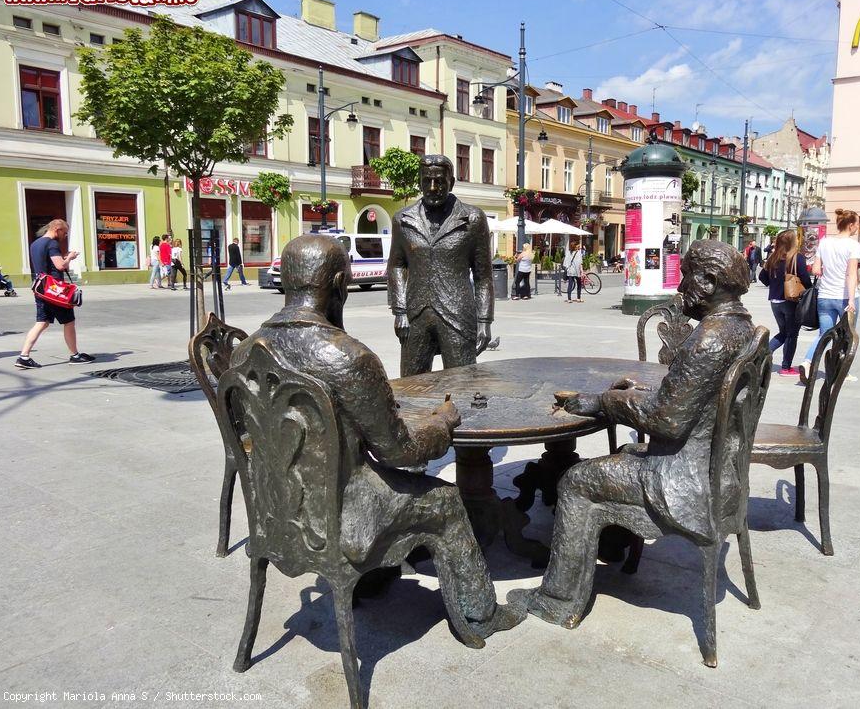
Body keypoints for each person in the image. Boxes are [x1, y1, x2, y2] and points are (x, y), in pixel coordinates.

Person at [231, 233, 521, 643]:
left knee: (383, 481)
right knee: (445, 498)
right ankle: (481, 616)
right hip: (344, 518)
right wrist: (442, 422)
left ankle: (372, 578)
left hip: (276, 515)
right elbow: (398, 451)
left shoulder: (244, 353)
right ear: (338, 283)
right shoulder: (346, 356)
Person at [507, 240, 754, 629]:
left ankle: (557, 600)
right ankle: (606, 542)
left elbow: (668, 422)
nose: (680, 285)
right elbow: (691, 401)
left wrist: (607, 401)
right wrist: (635, 394)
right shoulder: (741, 328)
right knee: (623, 452)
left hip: (686, 481)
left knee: (575, 481)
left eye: (687, 276)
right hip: (721, 473)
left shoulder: (710, 338)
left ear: (708, 281)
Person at [387, 154, 494, 377]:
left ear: (452, 182)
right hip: (415, 314)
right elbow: (397, 266)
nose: (433, 187)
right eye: (427, 181)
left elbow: (483, 275)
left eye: (440, 181)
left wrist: (484, 320)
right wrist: (399, 311)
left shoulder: (473, 219)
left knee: (462, 382)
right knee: (411, 386)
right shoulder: (403, 220)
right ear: (420, 182)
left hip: (457, 313)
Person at [16, 219, 95, 369]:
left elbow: (47, 263)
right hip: (55, 291)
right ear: (57, 229)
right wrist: (70, 257)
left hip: (40, 288)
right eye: (64, 233)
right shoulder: (52, 244)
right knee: (68, 322)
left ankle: (23, 356)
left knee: (42, 322)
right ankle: (75, 355)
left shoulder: (35, 243)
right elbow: (60, 266)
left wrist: (62, 257)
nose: (64, 236)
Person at [799, 208, 860, 384]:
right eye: (857, 223)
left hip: (825, 296)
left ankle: (807, 361)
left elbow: (816, 269)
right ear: (850, 225)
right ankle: (839, 372)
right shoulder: (853, 246)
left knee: (824, 334)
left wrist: (830, 271)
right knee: (846, 336)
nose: (858, 227)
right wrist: (851, 300)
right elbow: (851, 274)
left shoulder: (825, 242)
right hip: (844, 297)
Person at [758, 229, 811, 377]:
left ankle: (762, 355)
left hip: (775, 301)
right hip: (790, 301)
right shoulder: (796, 257)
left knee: (784, 332)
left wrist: (775, 285)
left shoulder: (773, 257)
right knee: (791, 334)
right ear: (792, 242)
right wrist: (810, 291)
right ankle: (786, 368)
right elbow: (805, 279)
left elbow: (762, 277)